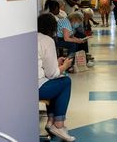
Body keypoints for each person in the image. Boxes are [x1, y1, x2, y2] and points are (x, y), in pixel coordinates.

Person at [37, 13, 76, 141]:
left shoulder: (32, 37)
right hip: (37, 88)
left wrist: (56, 62)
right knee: (65, 82)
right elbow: (52, 73)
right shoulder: (47, 40)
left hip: (25, 84)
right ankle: (58, 125)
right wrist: (64, 66)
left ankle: (50, 121)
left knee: (54, 82)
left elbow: (41, 64)